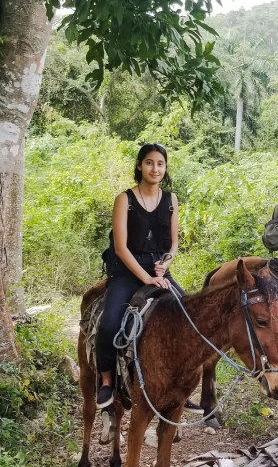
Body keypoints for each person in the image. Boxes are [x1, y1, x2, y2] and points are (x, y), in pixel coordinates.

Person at [95, 142, 192, 409]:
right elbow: (120, 247)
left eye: (160, 164)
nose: (155, 168)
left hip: (159, 269)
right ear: (140, 165)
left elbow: (173, 244)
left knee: (188, 318)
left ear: (165, 168)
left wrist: (165, 263)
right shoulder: (124, 199)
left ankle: (182, 385)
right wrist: (146, 278)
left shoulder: (171, 200)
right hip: (127, 271)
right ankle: (106, 382)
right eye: (149, 162)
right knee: (110, 323)